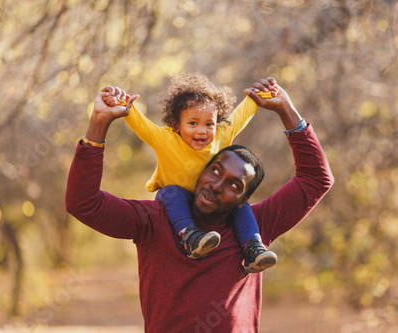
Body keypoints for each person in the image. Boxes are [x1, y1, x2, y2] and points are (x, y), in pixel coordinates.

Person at [66, 76, 334, 332]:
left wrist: (286, 109)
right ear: (202, 169)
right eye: (215, 171)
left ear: (243, 200)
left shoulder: (256, 228)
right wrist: (99, 124)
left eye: (234, 185)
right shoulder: (154, 221)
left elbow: (315, 180)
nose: (217, 185)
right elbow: (83, 203)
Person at [100, 72, 277, 273]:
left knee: (240, 206)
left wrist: (255, 98)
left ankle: (253, 248)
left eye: (209, 124)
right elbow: (144, 127)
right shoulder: (165, 139)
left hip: (207, 197)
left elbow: (240, 117)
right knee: (172, 193)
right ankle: (192, 238)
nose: (202, 131)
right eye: (193, 123)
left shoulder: (220, 136)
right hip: (174, 195)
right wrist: (126, 108)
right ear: (176, 124)